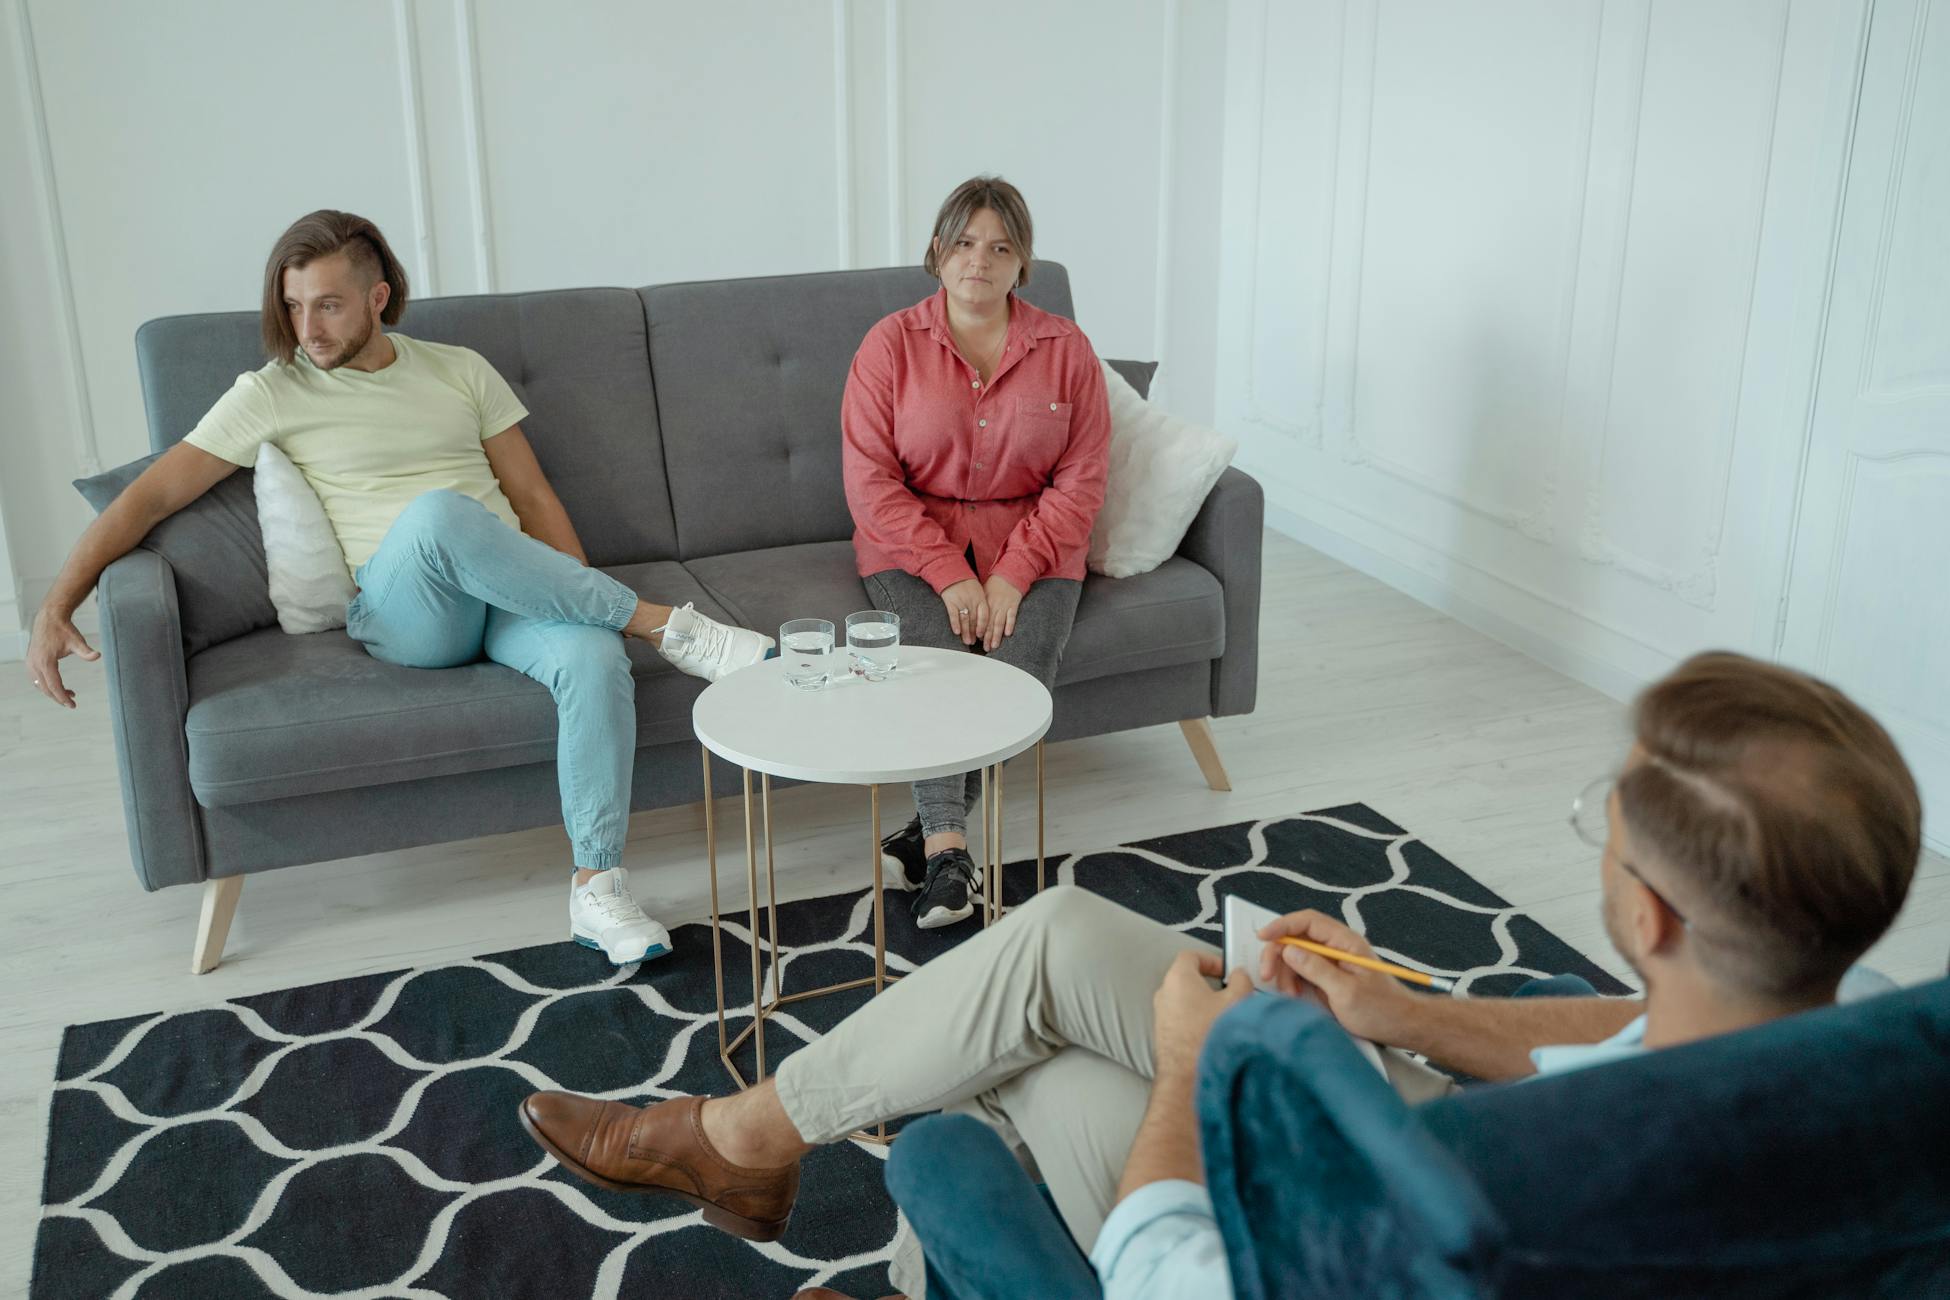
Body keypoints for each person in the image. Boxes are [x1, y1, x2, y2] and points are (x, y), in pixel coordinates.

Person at [520, 650, 1920, 1298]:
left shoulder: (1511, 1191)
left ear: (1652, 913)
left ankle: (746, 1153)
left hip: (1360, 1203)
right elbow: (1635, 1030)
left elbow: (1167, 1278)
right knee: (1056, 951)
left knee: (979, 1110)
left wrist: (1198, 1066)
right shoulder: (1870, 1051)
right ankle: (751, 1154)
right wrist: (1402, 1010)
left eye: (1594, 835)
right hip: (1414, 1126)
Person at [23, 209, 775, 965]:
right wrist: (56, 605)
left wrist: (573, 599)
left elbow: (535, 498)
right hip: (408, 612)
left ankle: (596, 887)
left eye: (328, 304)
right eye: (293, 305)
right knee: (440, 515)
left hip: (508, 589)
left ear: (378, 298)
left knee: (591, 660)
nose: (306, 327)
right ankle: (667, 627)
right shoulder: (272, 391)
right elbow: (148, 500)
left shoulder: (458, 369)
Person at [842, 175, 1110, 929]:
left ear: (1024, 263)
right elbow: (870, 482)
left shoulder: (1066, 350)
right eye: (963, 243)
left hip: (1039, 542)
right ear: (936, 251)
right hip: (910, 541)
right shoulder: (889, 345)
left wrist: (1014, 576)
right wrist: (951, 576)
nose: (978, 262)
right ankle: (954, 854)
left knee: (1019, 678)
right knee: (938, 670)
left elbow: (1082, 478)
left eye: (1000, 248)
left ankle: (923, 841)